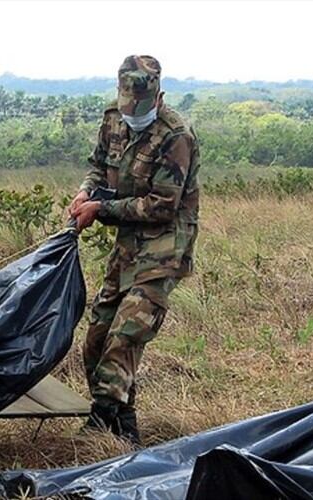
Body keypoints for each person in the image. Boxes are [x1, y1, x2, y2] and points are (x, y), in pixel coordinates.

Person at [68, 55, 200, 445]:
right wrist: (86, 192)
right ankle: (124, 428)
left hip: (164, 246)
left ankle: (100, 424)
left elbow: (162, 205)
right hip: (127, 246)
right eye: (128, 108)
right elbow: (98, 165)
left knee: (126, 334)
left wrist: (101, 210)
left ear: (158, 98)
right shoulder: (113, 119)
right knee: (97, 337)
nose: (132, 116)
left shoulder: (177, 137)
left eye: (140, 110)